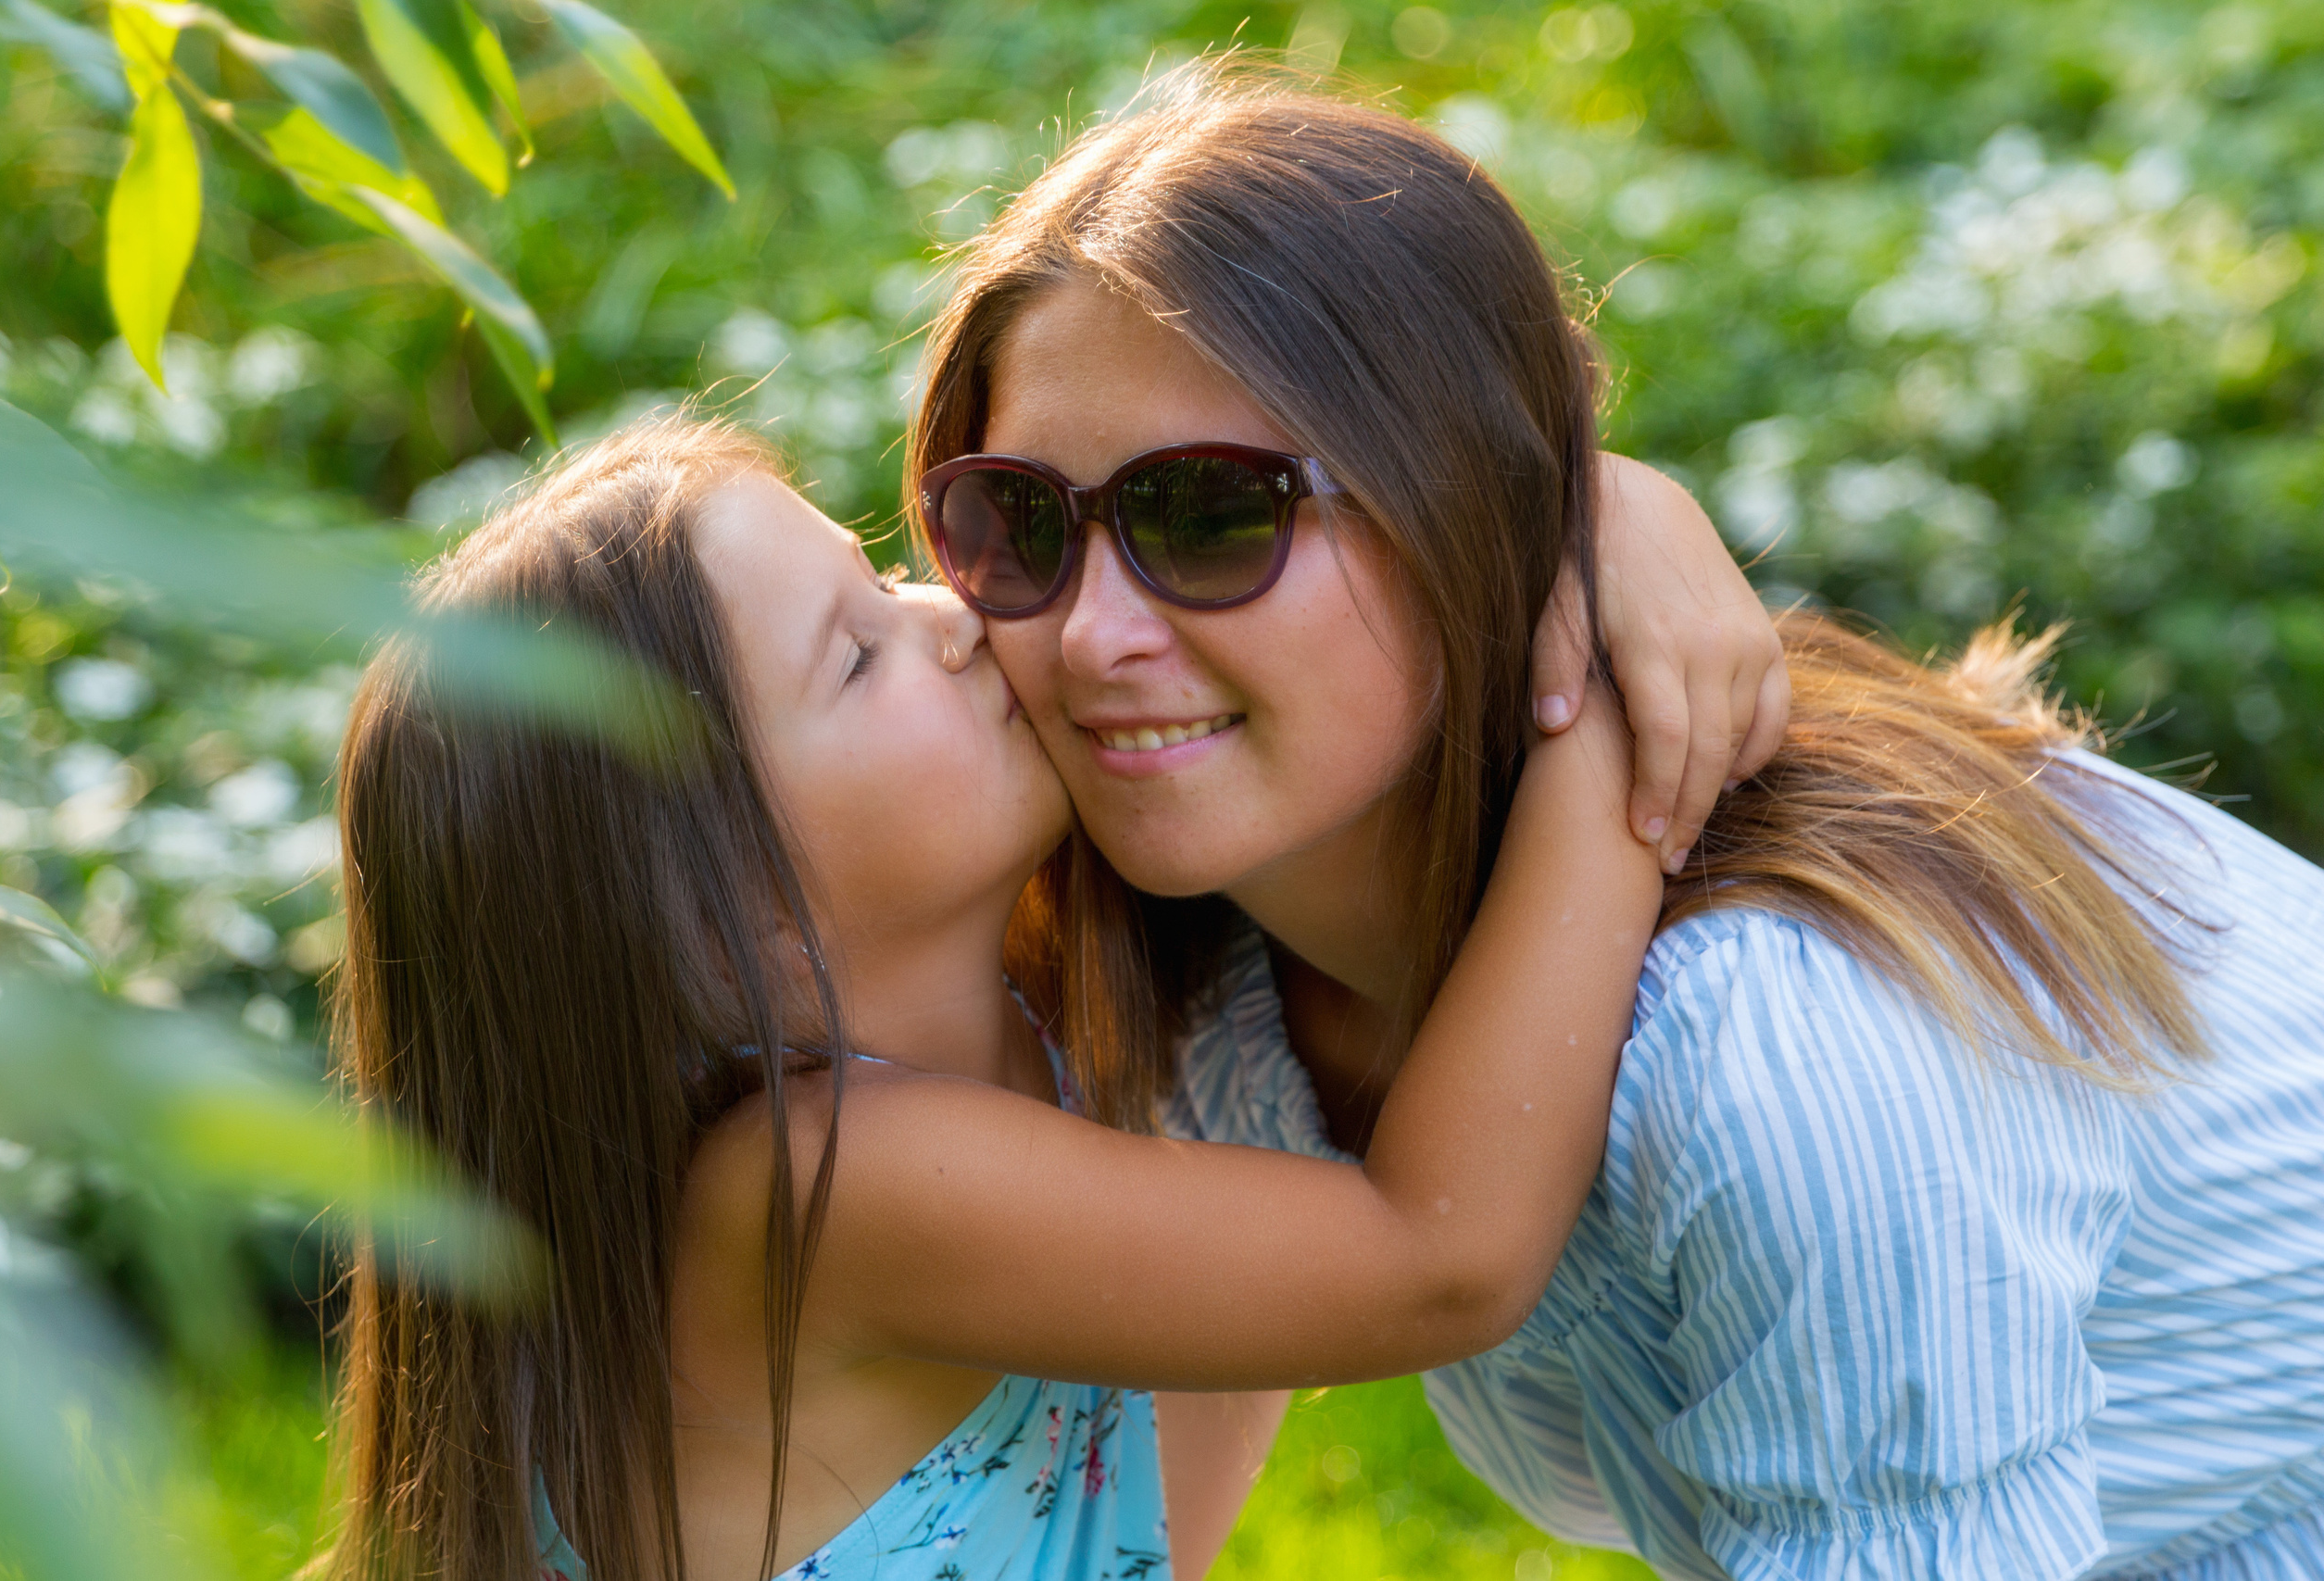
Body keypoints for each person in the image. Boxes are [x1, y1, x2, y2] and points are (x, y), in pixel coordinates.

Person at [914, 68, 2324, 1580]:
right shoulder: (1207, 989)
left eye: (1212, 514)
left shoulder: (1777, 1039)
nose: (1090, 635)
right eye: (1018, 521)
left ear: (1459, 502)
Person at [318, 407, 1784, 1581]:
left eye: (880, 574)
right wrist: (1611, 714)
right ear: (717, 928)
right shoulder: (820, 1189)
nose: (949, 615)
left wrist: (1606, 506)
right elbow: (1441, 1259)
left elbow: (1142, 1489)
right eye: (857, 656)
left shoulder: (1015, 1002)